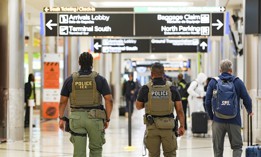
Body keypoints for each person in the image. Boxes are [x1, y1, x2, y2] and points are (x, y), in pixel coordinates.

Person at [58, 52, 113, 157]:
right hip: (95, 119)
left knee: (79, 153)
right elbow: (109, 100)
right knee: (96, 150)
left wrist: (61, 118)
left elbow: (62, 102)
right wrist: (107, 118)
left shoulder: (70, 80)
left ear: (79, 63)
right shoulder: (99, 79)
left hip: (76, 119)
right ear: (92, 63)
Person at [205, 59, 253, 157]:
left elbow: (207, 101)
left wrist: (212, 116)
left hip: (218, 120)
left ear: (220, 70)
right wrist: (250, 111)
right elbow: (247, 98)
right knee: (237, 147)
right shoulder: (237, 82)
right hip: (234, 120)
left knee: (218, 149)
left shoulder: (213, 82)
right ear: (231, 70)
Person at [136, 63, 185, 157]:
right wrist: (182, 126)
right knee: (170, 154)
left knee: (153, 155)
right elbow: (179, 109)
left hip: (152, 127)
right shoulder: (171, 88)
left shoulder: (146, 88)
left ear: (151, 74)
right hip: (168, 127)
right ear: (163, 73)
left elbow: (138, 106)